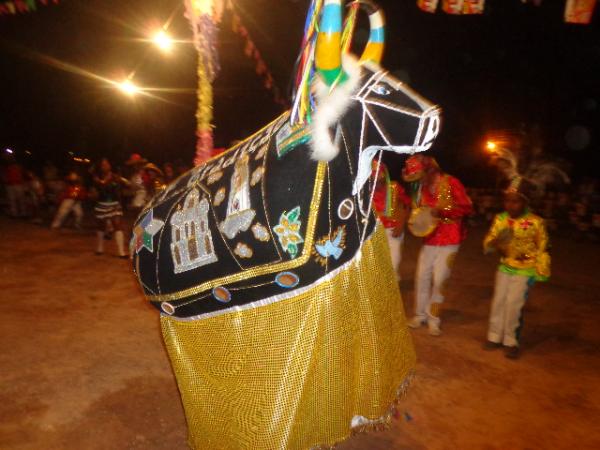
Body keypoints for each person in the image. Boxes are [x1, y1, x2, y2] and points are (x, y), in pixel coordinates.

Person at [403, 154, 473, 336]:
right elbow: (417, 211)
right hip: (430, 238)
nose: (418, 180)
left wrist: (442, 210)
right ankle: (419, 315)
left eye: (420, 176)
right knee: (421, 276)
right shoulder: (421, 188)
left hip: (450, 238)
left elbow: (467, 207)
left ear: (431, 170)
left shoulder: (452, 183)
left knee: (440, 279)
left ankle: (433, 318)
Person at [483, 178, 549, 359]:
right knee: (499, 301)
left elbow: (543, 247)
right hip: (505, 267)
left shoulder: (536, 222)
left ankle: (511, 340)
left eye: (515, 201)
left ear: (525, 202)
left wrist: (541, 270)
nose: (510, 205)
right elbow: (488, 244)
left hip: (525, 270)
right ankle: (494, 336)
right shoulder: (501, 219)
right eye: (507, 200)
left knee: (514, 304)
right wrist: (496, 243)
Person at [372, 161, 410, 281]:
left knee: (393, 264)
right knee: (376, 267)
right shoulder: (366, 192)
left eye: (378, 177)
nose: (376, 182)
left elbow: (406, 205)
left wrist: (401, 224)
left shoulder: (394, 187)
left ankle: (392, 290)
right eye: (373, 178)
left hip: (393, 231)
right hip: (374, 233)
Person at [91, 158, 129, 258]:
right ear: (100, 167)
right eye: (103, 164)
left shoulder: (115, 177)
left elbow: (127, 185)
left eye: (106, 164)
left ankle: (121, 252)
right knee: (101, 226)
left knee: (117, 225)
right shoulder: (96, 178)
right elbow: (99, 187)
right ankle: (99, 248)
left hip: (114, 204)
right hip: (101, 203)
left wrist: (122, 182)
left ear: (110, 166)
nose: (105, 166)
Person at [1, 153, 26, 218]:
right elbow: (4, 176)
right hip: (11, 185)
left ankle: (22, 213)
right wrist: (6, 181)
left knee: (20, 199)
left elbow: (22, 175)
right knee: (12, 200)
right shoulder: (7, 168)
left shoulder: (18, 167)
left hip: (18, 184)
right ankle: (15, 213)